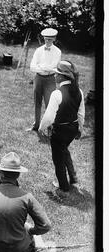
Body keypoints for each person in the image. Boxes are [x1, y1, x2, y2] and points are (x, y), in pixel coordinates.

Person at [0, 152, 60, 252]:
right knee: (27, 225)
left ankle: (39, 249)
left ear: (1, 173)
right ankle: (40, 250)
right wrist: (31, 231)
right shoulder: (27, 197)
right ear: (18, 175)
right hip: (17, 248)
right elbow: (46, 225)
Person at [39, 60, 85, 197]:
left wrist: (41, 128)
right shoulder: (79, 91)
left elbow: (49, 117)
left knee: (58, 158)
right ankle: (73, 177)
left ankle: (63, 186)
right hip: (72, 129)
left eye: (56, 73)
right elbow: (81, 113)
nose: (54, 75)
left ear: (62, 77)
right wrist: (80, 129)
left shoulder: (57, 93)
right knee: (64, 150)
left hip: (59, 131)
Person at [28, 28, 61, 132]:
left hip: (50, 79)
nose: (47, 42)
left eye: (50, 40)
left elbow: (53, 67)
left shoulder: (57, 51)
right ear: (43, 38)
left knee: (49, 103)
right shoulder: (38, 50)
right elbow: (32, 67)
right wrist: (44, 68)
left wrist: (41, 66)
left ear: (54, 39)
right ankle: (36, 125)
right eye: (46, 39)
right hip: (38, 78)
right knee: (37, 102)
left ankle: (49, 127)